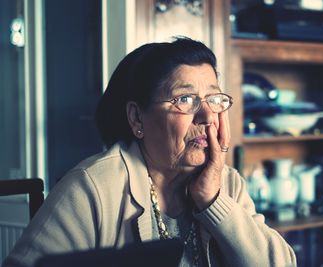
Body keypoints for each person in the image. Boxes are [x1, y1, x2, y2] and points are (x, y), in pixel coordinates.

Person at [3, 37, 296, 267]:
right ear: (137, 118)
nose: (207, 116)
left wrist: (213, 201)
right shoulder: (92, 187)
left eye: (214, 99)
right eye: (185, 99)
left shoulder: (224, 182)